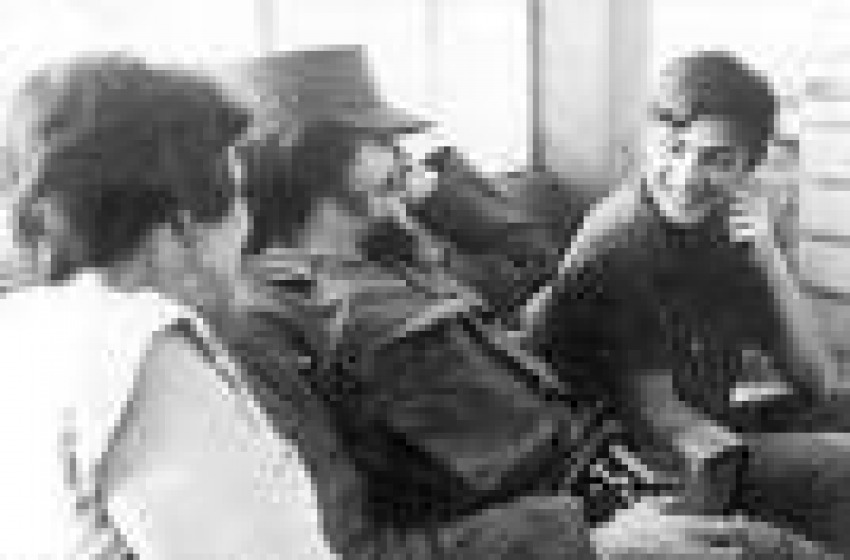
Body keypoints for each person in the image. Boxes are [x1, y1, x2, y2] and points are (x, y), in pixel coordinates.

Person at [230, 46, 833, 559]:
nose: (403, 158)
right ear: (310, 156)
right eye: (380, 142)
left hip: (611, 478)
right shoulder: (272, 320)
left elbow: (544, 264)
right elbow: (352, 548)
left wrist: (435, 197)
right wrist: (595, 540)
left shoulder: (395, 251)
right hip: (570, 526)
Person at [0, 53, 337, 558]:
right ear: (181, 224)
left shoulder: (25, 327)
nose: (246, 230)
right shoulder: (138, 344)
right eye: (240, 198)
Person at [523, 49, 850, 554]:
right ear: (647, 141)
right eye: (673, 149)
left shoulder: (728, 229)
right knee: (833, 474)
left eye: (717, 159)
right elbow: (659, 417)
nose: (686, 176)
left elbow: (819, 381)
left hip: (702, 437)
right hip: (622, 468)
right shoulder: (622, 244)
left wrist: (770, 258)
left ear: (750, 167)